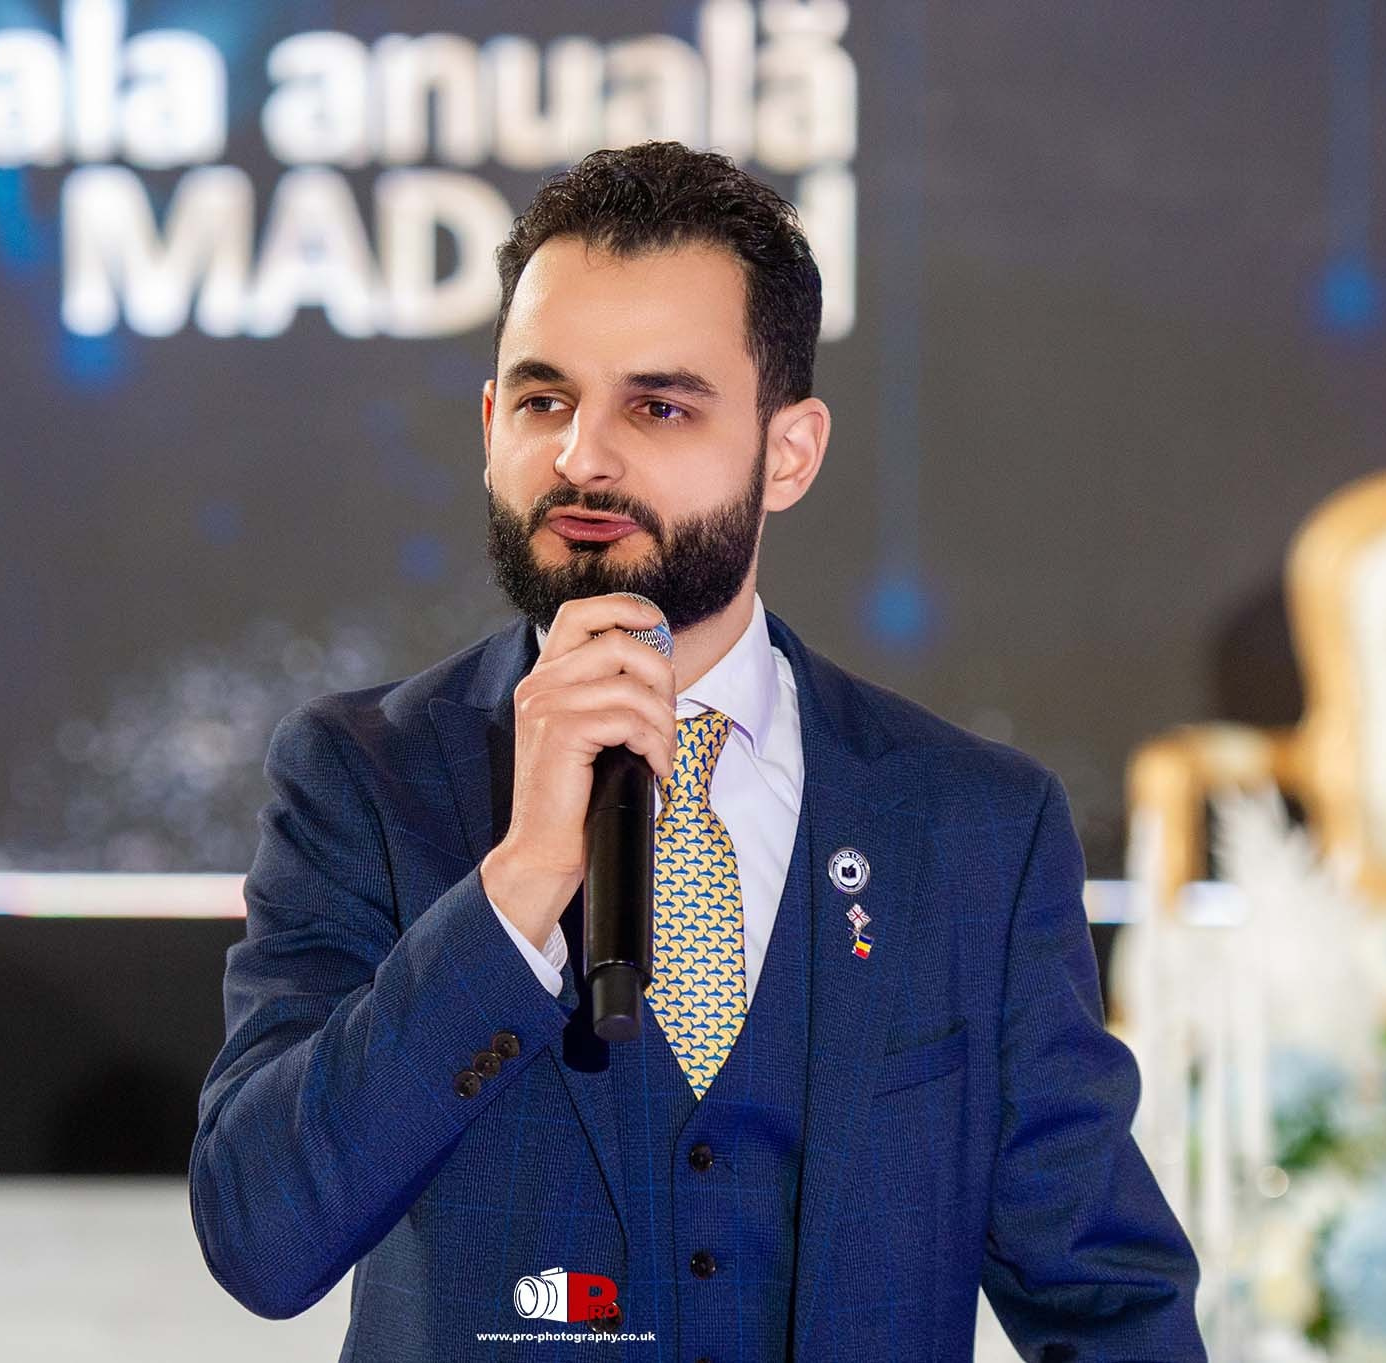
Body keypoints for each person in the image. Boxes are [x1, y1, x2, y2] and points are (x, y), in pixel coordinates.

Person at [190, 140, 1203, 1362]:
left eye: (657, 405)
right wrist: (517, 885)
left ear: (789, 451)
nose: (582, 458)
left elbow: (1103, 1299)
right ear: (488, 424)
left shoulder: (969, 824)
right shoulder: (360, 775)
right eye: (541, 399)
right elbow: (260, 1235)